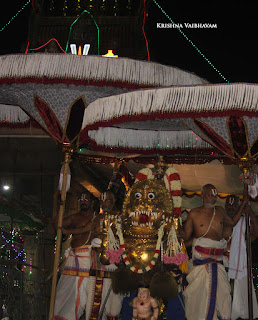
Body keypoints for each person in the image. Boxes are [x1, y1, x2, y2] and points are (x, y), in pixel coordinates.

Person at [181, 184, 248, 320]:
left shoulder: (220, 211)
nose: (213, 197)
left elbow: (232, 222)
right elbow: (186, 236)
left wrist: (244, 204)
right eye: (210, 195)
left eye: (215, 195)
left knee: (223, 297)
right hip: (200, 264)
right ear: (202, 196)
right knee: (198, 299)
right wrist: (173, 225)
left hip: (218, 263)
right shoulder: (193, 213)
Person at [54, 192, 100, 320]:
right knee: (63, 291)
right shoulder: (74, 217)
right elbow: (57, 224)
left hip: (86, 258)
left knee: (82, 294)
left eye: (86, 199)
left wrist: (67, 231)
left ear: (93, 202)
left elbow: (87, 228)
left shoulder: (97, 217)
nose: (83, 201)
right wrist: (57, 205)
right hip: (73, 259)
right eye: (81, 198)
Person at [86, 189, 123, 320]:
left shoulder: (121, 218)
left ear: (114, 201)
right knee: (93, 304)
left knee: (113, 306)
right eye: (102, 200)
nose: (104, 203)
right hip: (96, 269)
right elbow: (85, 230)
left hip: (113, 267)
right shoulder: (96, 218)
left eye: (107, 200)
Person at [224, 194, 258, 320]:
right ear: (225, 205)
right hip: (224, 264)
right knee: (224, 299)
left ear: (239, 206)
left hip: (241, 266)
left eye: (234, 204)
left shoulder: (245, 221)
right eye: (229, 204)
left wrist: (252, 215)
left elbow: (257, 232)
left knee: (242, 301)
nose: (231, 207)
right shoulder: (220, 220)